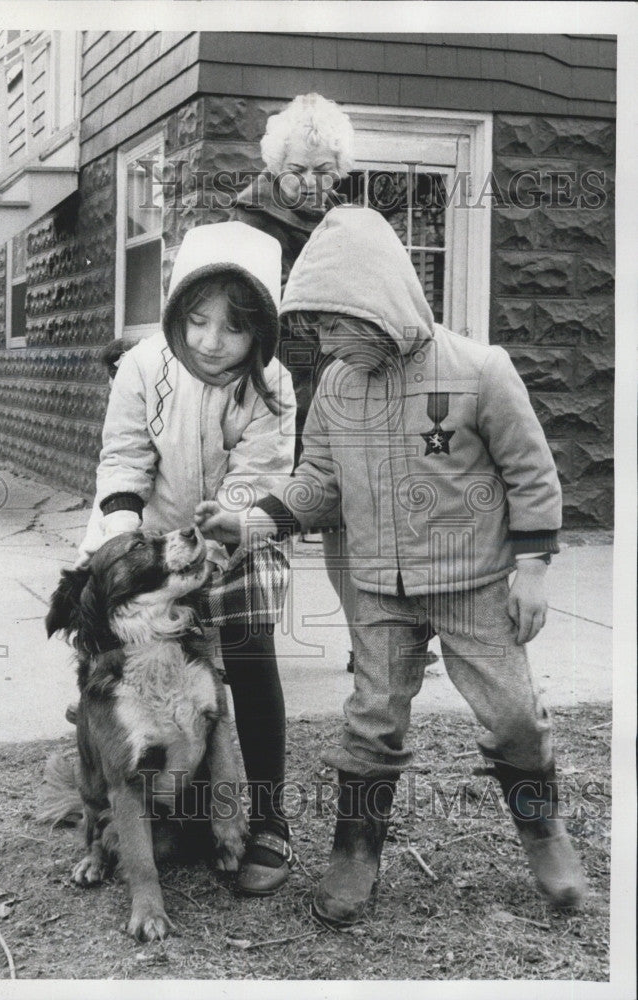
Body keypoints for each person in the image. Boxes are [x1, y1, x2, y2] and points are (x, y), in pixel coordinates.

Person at [195, 206, 587, 924]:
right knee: (370, 723)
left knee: (512, 718)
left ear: (377, 303)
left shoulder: (479, 371)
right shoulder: (338, 390)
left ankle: (546, 838)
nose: (323, 339)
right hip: (379, 591)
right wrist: (250, 523)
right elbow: (317, 483)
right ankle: (355, 853)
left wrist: (532, 568)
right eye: (312, 324)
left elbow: (533, 475)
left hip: (471, 583)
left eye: (335, 322)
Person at [76, 221, 297, 896]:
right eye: (197, 322)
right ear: (176, 315)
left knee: (247, 655)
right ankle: (121, 792)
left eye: (232, 329)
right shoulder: (145, 366)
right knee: (115, 663)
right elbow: (123, 457)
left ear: (260, 330)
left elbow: (261, 469)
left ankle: (266, 816)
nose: (211, 341)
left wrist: (224, 520)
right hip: (142, 528)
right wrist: (125, 540)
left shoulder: (274, 385)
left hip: (231, 533)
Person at [233, 92, 363, 671]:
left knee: (342, 511)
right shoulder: (249, 220)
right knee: (259, 507)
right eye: (296, 172)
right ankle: (242, 642)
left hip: (336, 381)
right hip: (277, 384)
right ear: (273, 168)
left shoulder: (345, 221)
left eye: (324, 171)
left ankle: (369, 642)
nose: (310, 183)